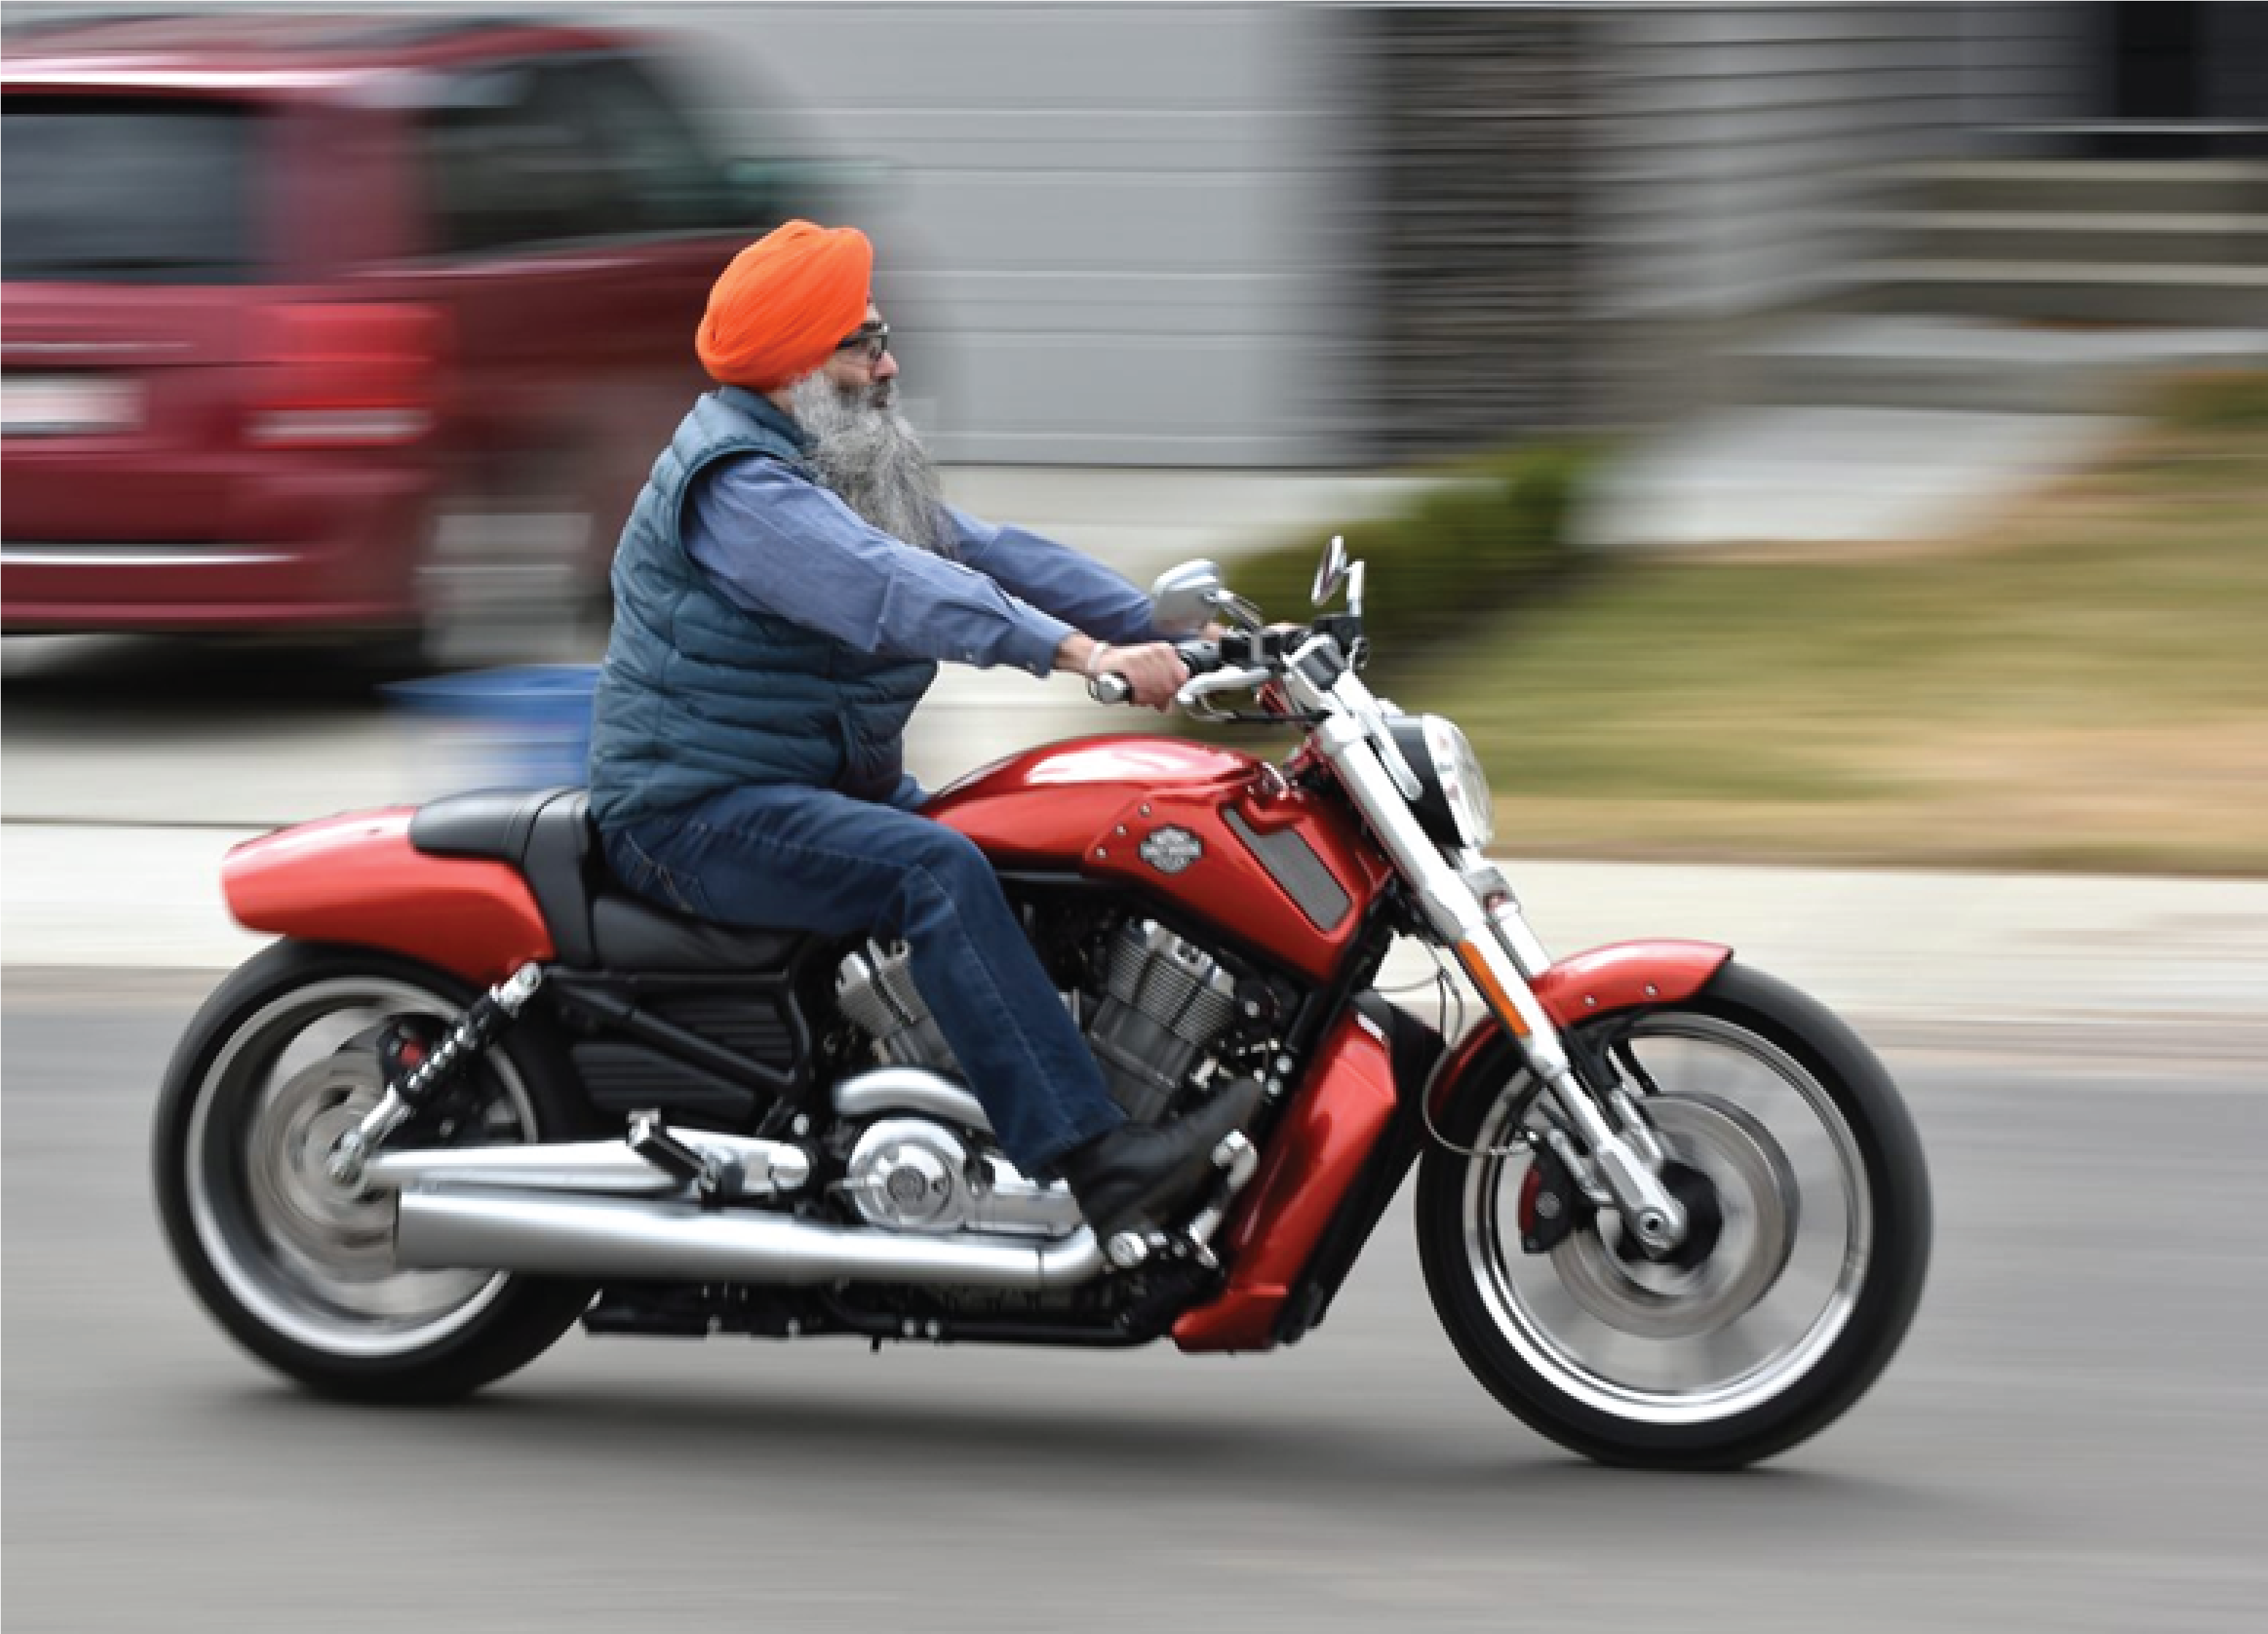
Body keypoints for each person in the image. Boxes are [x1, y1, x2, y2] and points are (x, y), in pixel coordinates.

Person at [588, 220, 1253, 1246]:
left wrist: (1173, 632)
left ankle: (983, 1094)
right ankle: (1096, 1159)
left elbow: (982, 549)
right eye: (862, 342)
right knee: (933, 872)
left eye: (882, 335)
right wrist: (1077, 657)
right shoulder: (739, 489)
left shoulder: (824, 462)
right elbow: (887, 587)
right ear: (794, 363)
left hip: (811, 785)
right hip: (696, 809)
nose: (888, 362)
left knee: (1036, 843)